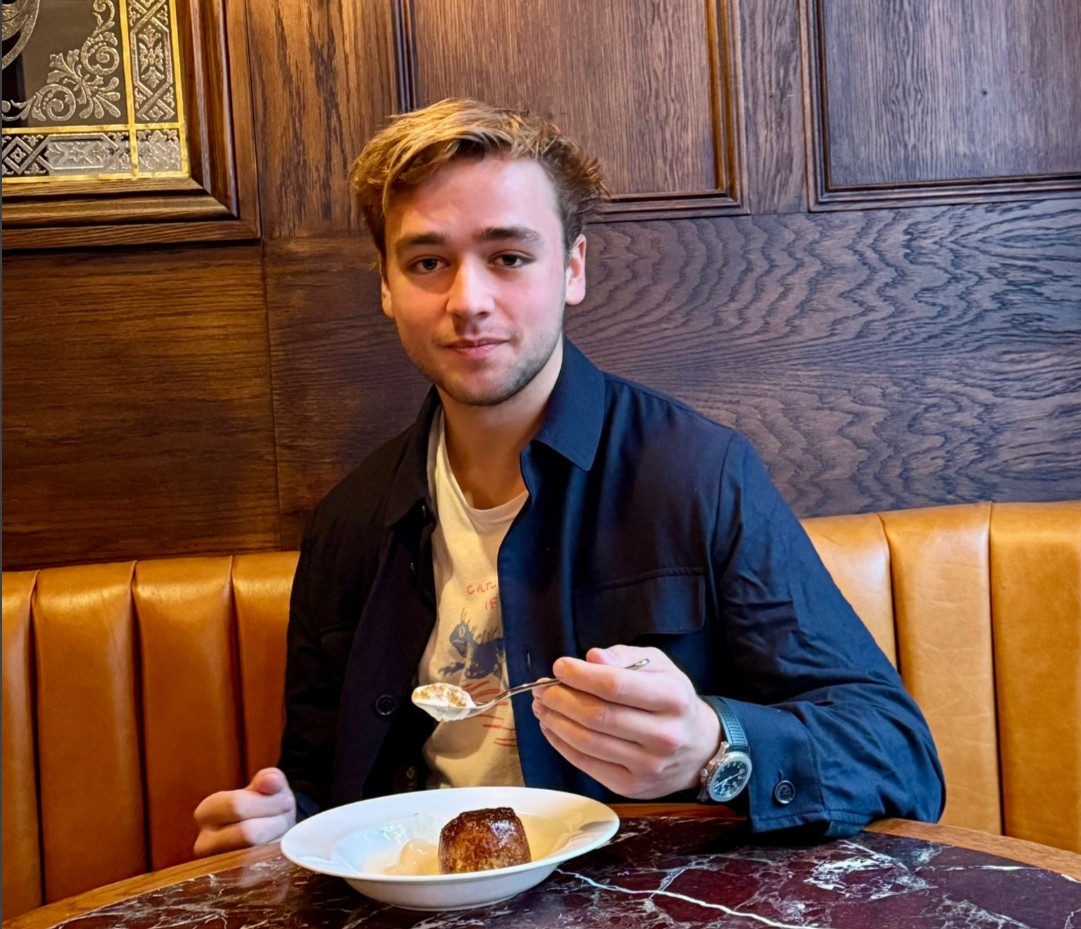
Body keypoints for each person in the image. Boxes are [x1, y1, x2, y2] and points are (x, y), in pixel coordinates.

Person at [193, 98, 944, 856]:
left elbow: (900, 757)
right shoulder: (347, 524)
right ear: (386, 286)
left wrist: (714, 748)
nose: (468, 301)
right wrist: (282, 824)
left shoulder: (694, 474)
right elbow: (321, 785)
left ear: (572, 269)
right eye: (427, 263)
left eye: (509, 257)